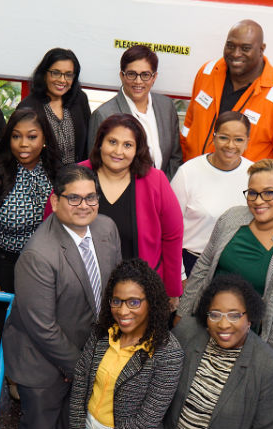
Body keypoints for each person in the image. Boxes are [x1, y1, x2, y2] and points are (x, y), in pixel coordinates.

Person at [3, 164, 122, 429]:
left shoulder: (106, 228)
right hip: (41, 363)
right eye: (74, 198)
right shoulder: (38, 254)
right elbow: (42, 327)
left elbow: (114, 291)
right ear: (55, 201)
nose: (84, 206)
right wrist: (82, 368)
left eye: (91, 197)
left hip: (84, 353)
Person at [178, 159, 273, 350]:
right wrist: (182, 315)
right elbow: (204, 266)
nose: (258, 201)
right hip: (201, 326)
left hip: (245, 344)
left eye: (269, 193)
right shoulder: (232, 218)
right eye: (252, 193)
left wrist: (261, 350)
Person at [68, 259, 183, 429]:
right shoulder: (102, 332)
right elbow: (81, 381)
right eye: (116, 301)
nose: (122, 311)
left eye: (134, 302)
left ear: (151, 302)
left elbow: (147, 420)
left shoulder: (168, 352)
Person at [62, 114, 183, 304]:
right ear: (100, 142)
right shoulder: (74, 176)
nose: (118, 151)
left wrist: (172, 290)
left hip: (140, 294)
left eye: (127, 145)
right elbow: (53, 228)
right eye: (112, 141)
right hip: (80, 291)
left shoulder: (156, 181)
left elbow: (172, 236)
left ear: (137, 150)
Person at [162, 274, 273, 429]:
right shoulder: (186, 333)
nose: (224, 324)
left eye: (234, 315)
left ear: (249, 317)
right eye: (215, 314)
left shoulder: (267, 367)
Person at [179, 19, 273, 174]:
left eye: (245, 48)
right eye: (230, 46)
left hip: (242, 192)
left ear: (261, 49)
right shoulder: (207, 72)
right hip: (195, 177)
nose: (235, 54)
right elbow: (189, 125)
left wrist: (270, 197)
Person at [0, 108, 59, 332]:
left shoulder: (57, 174)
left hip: (46, 269)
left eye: (32, 136)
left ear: (45, 139)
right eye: (16, 136)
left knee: (38, 332)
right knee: (1, 333)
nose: (23, 144)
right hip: (5, 268)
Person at [171, 111, 255, 276]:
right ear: (214, 137)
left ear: (247, 142)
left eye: (238, 139)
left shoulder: (255, 175)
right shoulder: (188, 172)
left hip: (235, 266)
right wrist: (179, 275)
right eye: (224, 137)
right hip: (190, 264)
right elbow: (169, 229)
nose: (230, 145)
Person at [87, 45, 183, 179]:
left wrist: (163, 189)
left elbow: (175, 157)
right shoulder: (103, 115)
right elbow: (96, 166)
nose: (138, 81)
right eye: (132, 74)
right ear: (122, 75)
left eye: (145, 75)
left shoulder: (166, 106)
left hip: (162, 192)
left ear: (154, 77)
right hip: (125, 195)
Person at [17, 48, 92, 165]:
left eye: (68, 75)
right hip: (43, 180)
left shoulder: (80, 99)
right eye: (56, 73)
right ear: (44, 74)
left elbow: (88, 144)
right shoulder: (28, 107)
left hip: (78, 178)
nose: (62, 80)